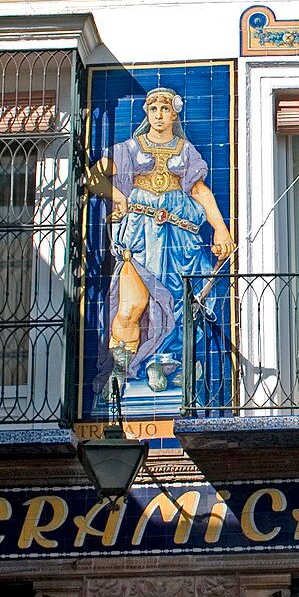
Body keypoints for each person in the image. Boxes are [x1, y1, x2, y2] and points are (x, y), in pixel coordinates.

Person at [88, 88, 232, 393]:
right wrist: (119, 198)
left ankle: (164, 362)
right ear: (146, 113)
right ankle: (120, 368)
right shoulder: (129, 149)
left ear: (174, 114)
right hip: (139, 237)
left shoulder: (186, 151)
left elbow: (199, 192)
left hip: (179, 239)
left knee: (179, 307)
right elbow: (94, 176)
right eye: (152, 108)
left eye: (164, 108)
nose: (158, 114)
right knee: (132, 305)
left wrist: (220, 229)